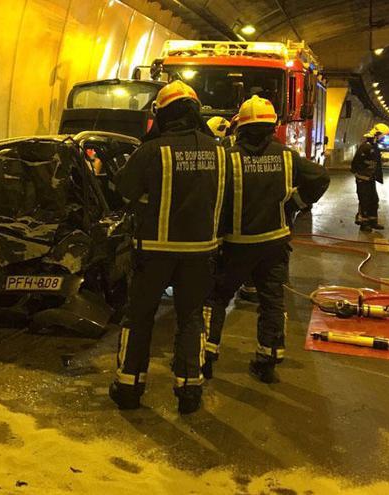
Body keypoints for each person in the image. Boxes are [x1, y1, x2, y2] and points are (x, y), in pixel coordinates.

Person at [110, 80, 226, 414]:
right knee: (190, 317)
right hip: (202, 252)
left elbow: (124, 190)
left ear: (163, 114)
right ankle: (189, 391)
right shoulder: (219, 151)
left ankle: (129, 388)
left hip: (155, 252)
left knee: (140, 317)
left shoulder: (152, 150)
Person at [202, 96, 329, 383]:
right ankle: (268, 359)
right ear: (272, 126)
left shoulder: (227, 157)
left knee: (216, 298)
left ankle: (206, 357)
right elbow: (321, 177)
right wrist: (296, 202)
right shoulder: (287, 156)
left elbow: (214, 198)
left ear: (242, 126)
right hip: (274, 244)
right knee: (272, 301)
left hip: (235, 245)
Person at [352, 123, 389, 232]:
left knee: (374, 200)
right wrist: (363, 174)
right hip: (363, 179)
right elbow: (356, 163)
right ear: (377, 134)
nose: (384, 138)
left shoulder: (373, 146)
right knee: (365, 200)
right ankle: (364, 223)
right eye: (383, 135)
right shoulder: (366, 147)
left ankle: (372, 221)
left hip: (370, 178)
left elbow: (374, 160)